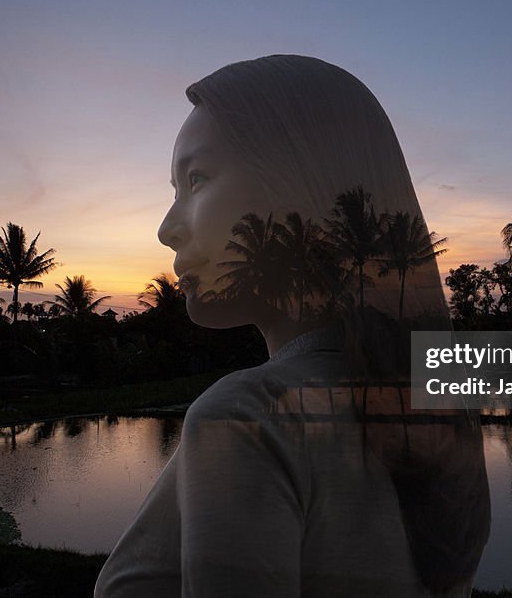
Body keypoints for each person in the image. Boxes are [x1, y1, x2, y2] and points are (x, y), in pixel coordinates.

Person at [95, 55, 490, 597]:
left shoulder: (248, 415)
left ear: (298, 188)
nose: (167, 229)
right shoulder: (437, 412)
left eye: (197, 179)